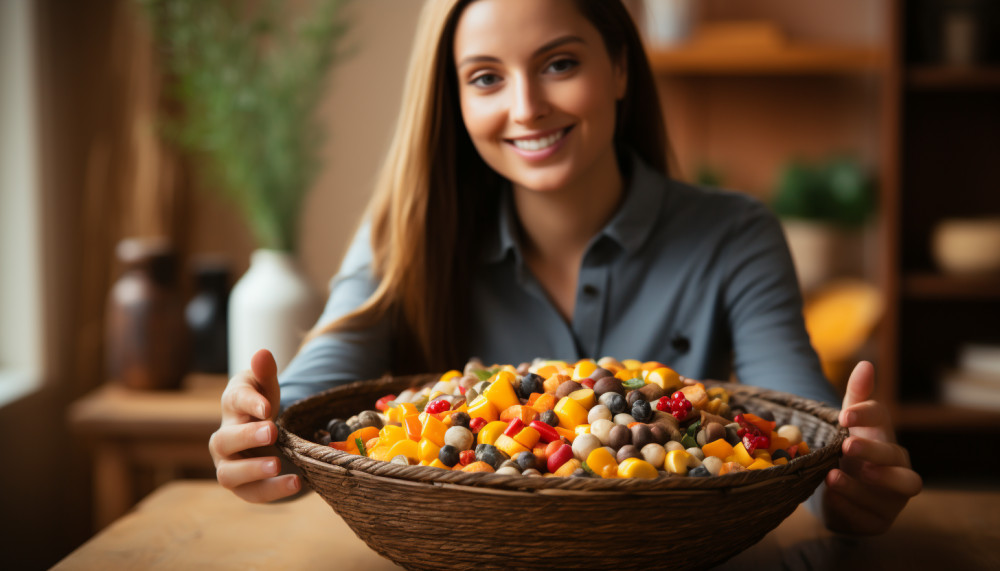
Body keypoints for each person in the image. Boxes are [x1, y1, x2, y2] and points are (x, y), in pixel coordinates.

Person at [209, 0, 921, 535]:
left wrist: (850, 485)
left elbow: (804, 439)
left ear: (619, 68)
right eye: (485, 78)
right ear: (455, 100)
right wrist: (256, 433)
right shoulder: (402, 231)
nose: (526, 108)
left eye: (559, 64)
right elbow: (307, 411)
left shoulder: (735, 235)